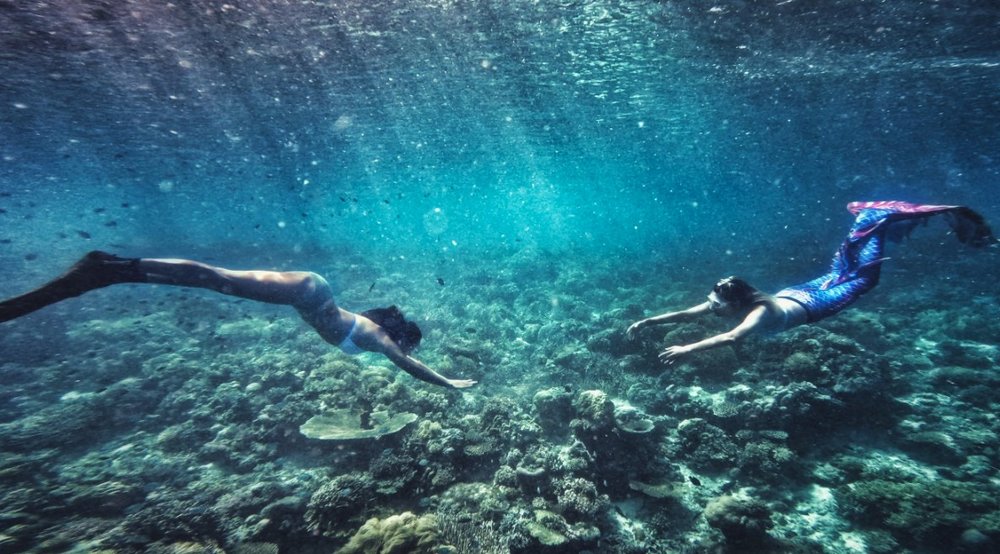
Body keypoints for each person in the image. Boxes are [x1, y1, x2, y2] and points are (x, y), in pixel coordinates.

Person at [0, 252, 476, 389]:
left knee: (216, 280)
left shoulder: (371, 332)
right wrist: (447, 381)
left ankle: (115, 271)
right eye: (406, 346)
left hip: (310, 294)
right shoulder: (377, 338)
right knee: (215, 278)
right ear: (398, 336)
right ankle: (110, 269)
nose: (405, 353)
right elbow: (406, 365)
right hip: (309, 292)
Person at [627, 201, 995, 364]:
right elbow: (686, 314)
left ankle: (877, 217)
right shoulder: (731, 300)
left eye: (718, 305)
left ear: (738, 303)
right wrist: (649, 321)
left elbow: (729, 338)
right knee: (844, 266)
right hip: (799, 294)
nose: (712, 307)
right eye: (713, 302)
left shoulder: (756, 313)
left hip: (812, 304)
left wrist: (685, 350)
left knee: (863, 277)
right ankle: (873, 220)